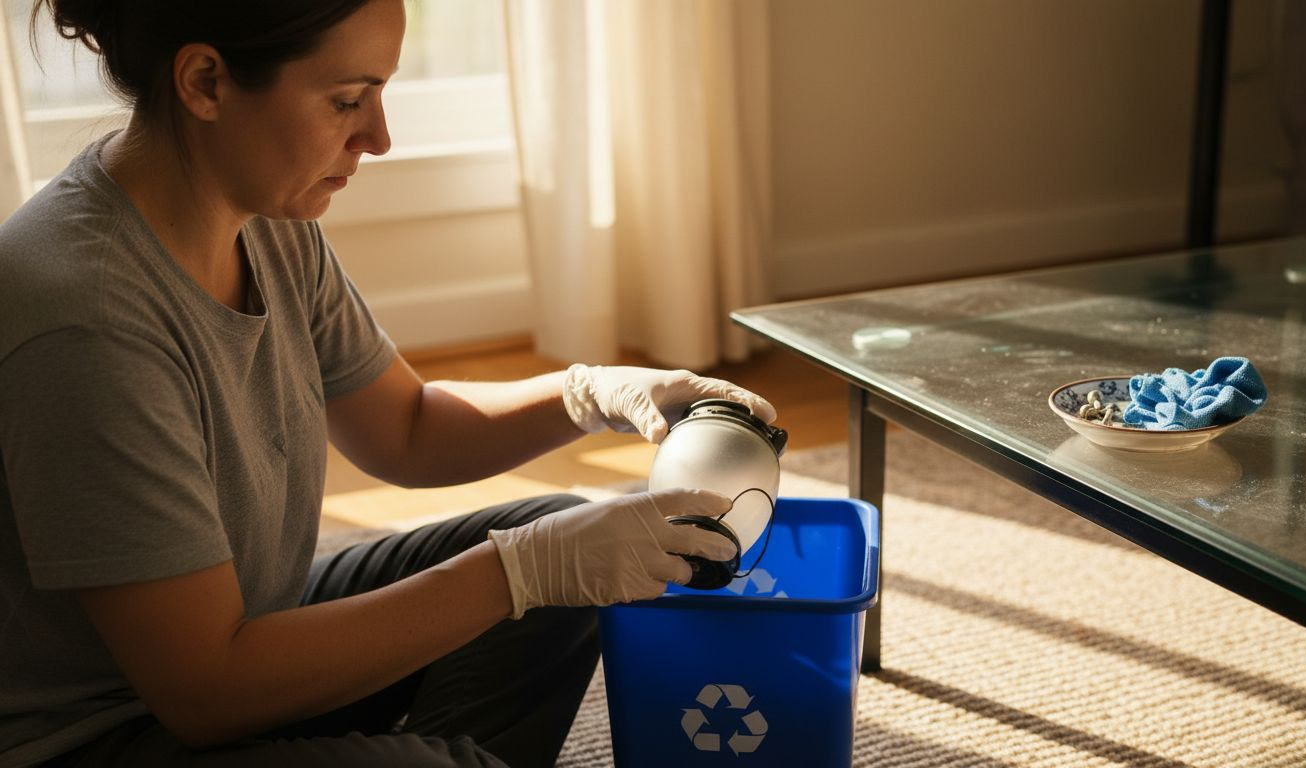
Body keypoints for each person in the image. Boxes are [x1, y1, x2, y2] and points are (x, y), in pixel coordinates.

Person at [0, 1, 776, 766]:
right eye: (347, 100)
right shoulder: (85, 318)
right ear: (205, 81)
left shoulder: (263, 216)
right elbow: (207, 693)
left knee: (568, 539)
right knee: (520, 590)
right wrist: (519, 572)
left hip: (252, 628)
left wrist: (591, 393)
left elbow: (407, 429)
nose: (379, 136)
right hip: (110, 728)